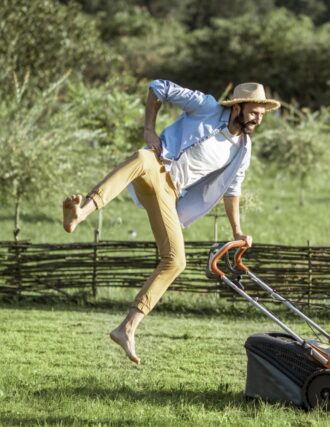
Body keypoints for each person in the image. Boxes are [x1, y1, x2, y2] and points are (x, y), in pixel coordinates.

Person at [62, 80, 280, 364]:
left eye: (262, 114)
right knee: (142, 156)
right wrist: (149, 130)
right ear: (237, 107)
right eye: (254, 111)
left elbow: (232, 190)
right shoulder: (207, 107)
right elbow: (158, 87)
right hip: (154, 165)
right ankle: (81, 213)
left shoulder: (242, 149)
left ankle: (127, 328)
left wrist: (238, 231)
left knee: (176, 261)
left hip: (169, 194)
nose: (258, 118)